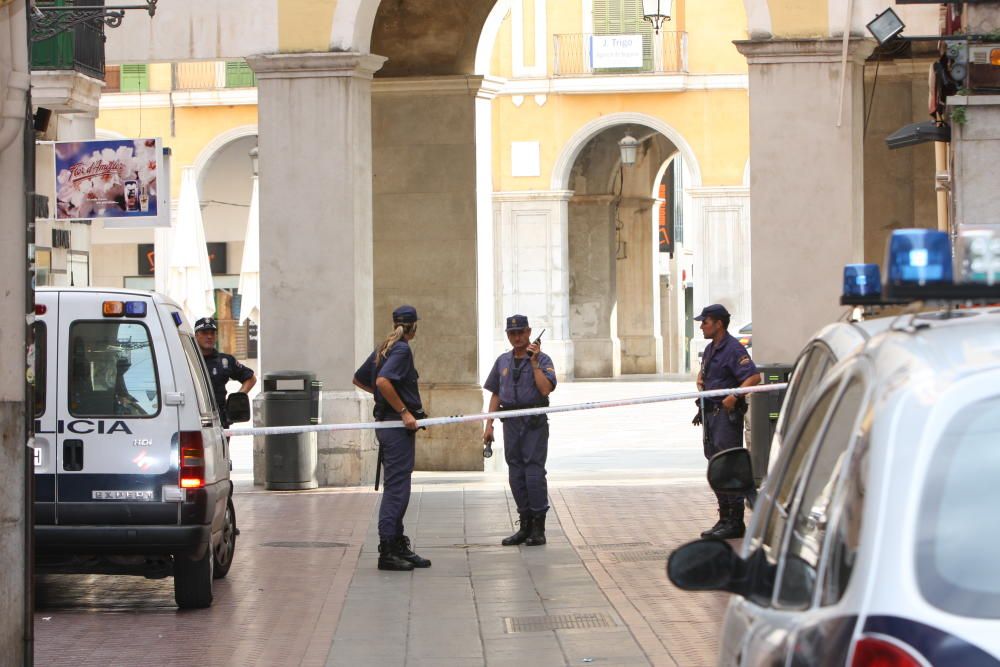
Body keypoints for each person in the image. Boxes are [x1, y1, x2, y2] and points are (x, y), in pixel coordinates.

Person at [353, 305, 432, 572]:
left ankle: (397, 544)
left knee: (399, 487)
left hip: (390, 425)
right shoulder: (400, 349)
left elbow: (361, 379)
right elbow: (383, 382)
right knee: (397, 489)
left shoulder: (384, 347)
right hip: (396, 427)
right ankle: (387, 550)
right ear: (415, 327)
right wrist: (402, 410)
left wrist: (384, 399)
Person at [483, 315, 557, 547]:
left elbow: (545, 389)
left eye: (521, 332)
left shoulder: (543, 360)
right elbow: (496, 393)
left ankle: (538, 527)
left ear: (529, 332)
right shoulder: (502, 361)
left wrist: (534, 363)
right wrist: (489, 424)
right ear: (507, 335)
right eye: (512, 333)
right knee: (516, 472)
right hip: (510, 422)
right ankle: (524, 525)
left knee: (533, 472)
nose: (517, 337)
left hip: (533, 421)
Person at [693, 304, 759, 540]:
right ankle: (724, 517)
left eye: (705, 322)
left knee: (728, 465)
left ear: (719, 323)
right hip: (711, 414)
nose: (702, 326)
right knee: (716, 465)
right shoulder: (712, 349)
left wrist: (735, 396)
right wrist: (702, 379)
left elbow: (753, 377)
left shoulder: (732, 348)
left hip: (725, 416)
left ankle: (734, 520)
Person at [193, 317, 256, 428]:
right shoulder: (188, 358)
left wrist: (235, 400)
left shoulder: (225, 360)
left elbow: (250, 378)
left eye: (212, 333)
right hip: (193, 417)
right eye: (204, 333)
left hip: (220, 420)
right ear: (196, 335)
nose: (209, 336)